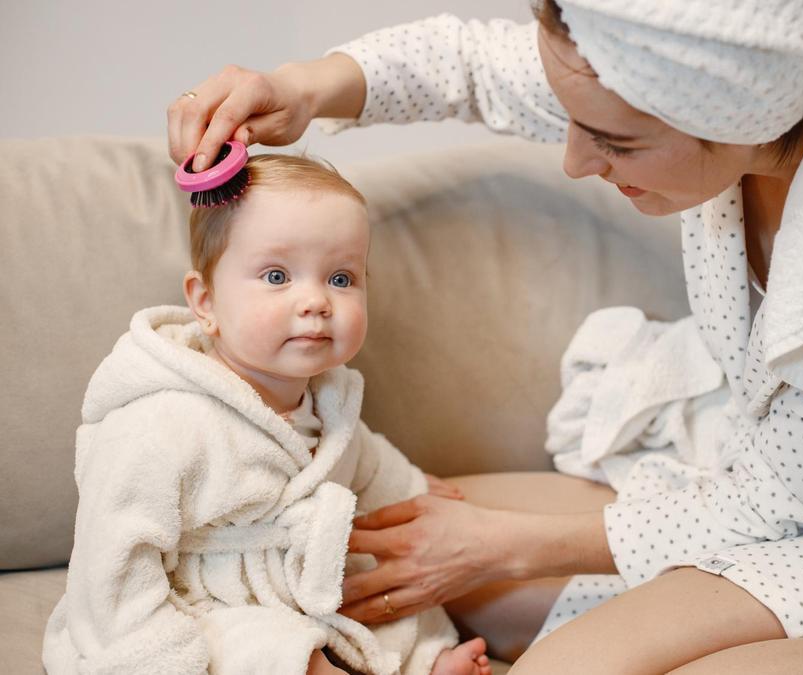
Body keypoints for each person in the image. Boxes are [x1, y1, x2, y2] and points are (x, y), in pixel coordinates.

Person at [167, 1, 803, 672]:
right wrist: (305, 84)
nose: (578, 162)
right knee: (374, 553)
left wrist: (506, 546)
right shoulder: (689, 62)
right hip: (751, 492)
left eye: (618, 144)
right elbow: (469, 64)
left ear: (737, 117)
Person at [43, 154, 493, 675]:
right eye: (277, 275)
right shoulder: (160, 422)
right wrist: (150, 650)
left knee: (390, 591)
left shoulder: (330, 399)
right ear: (205, 301)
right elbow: (113, 563)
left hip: (300, 580)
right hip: (196, 602)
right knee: (264, 650)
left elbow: (363, 462)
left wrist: (414, 490)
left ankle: (425, 663)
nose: (316, 301)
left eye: (342, 279)